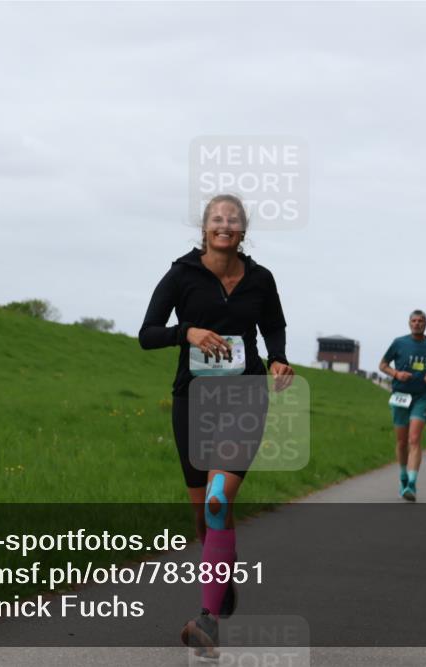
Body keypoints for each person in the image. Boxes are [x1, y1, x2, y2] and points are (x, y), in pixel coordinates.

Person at [139, 194, 295, 654]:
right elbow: (147, 334)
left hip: (245, 397)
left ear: (244, 231)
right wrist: (186, 332)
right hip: (194, 401)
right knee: (206, 519)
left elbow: (274, 327)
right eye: (216, 219)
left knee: (215, 500)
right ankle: (220, 578)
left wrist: (280, 360)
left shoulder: (261, 279)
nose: (224, 226)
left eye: (233, 220)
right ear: (204, 228)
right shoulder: (181, 275)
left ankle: (206, 623)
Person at [379, 310, 426, 501]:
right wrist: (396, 374)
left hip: (421, 396)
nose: (417, 324)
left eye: (421, 321)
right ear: (409, 323)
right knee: (401, 442)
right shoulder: (399, 343)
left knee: (414, 439)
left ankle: (411, 483)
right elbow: (382, 364)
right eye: (414, 321)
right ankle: (402, 475)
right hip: (400, 395)